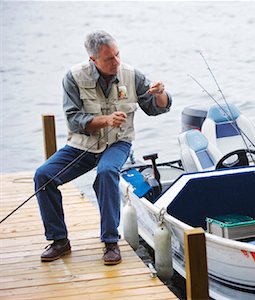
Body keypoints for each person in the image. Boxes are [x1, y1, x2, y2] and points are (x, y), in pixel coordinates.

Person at [34, 30, 172, 265]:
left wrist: (161, 94)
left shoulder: (132, 74)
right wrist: (104, 120)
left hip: (118, 142)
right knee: (43, 176)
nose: (116, 62)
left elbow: (155, 108)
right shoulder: (73, 77)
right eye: (109, 58)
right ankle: (59, 240)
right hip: (83, 145)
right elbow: (73, 119)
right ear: (93, 60)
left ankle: (110, 242)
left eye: (118, 54)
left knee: (106, 173)